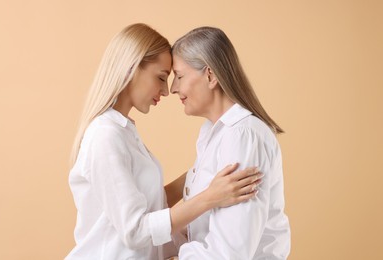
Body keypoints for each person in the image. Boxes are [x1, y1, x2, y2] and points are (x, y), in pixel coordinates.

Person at [66, 23, 263, 260]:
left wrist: (202, 171)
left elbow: (152, 204)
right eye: (161, 77)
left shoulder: (123, 131)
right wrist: (209, 197)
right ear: (131, 68)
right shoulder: (105, 135)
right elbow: (136, 231)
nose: (167, 90)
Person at [170, 26, 291, 259]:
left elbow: (231, 252)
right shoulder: (215, 134)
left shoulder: (242, 136)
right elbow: (205, 228)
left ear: (210, 75)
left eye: (180, 76)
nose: (173, 88)